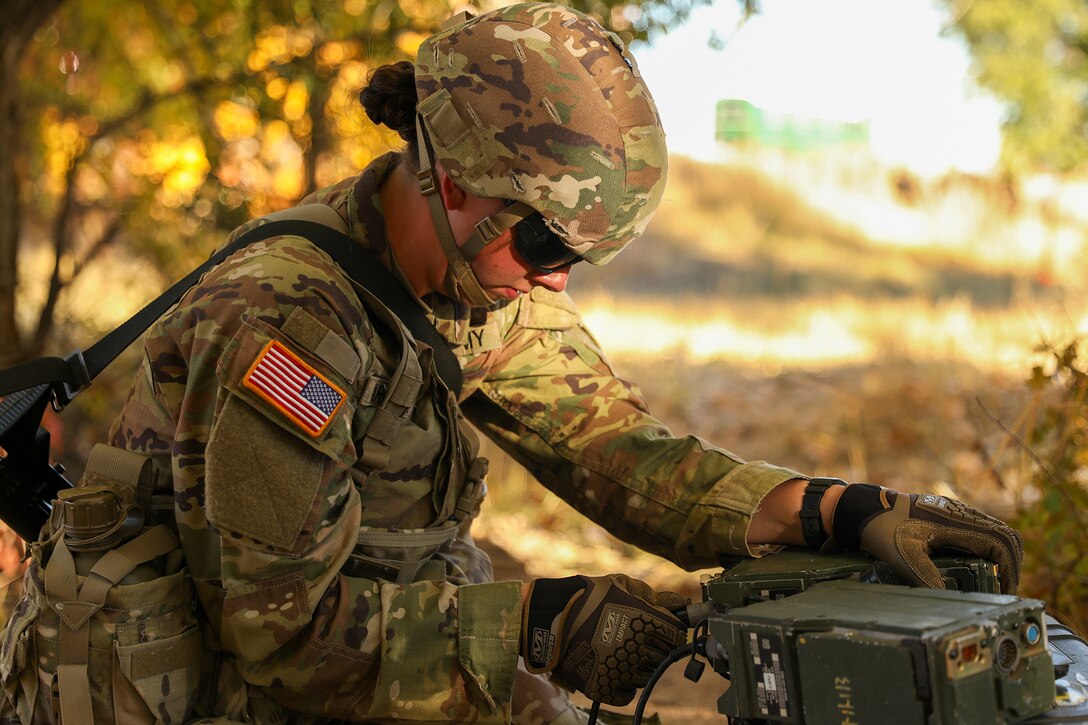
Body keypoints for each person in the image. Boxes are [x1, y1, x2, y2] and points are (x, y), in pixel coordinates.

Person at [0, 3, 1022, 724]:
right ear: (451, 181)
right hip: (209, 679)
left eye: (579, 256)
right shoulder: (289, 325)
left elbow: (618, 449)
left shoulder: (476, 279)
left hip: (340, 641)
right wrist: (539, 623)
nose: (557, 283)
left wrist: (833, 508)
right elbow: (282, 635)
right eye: (543, 246)